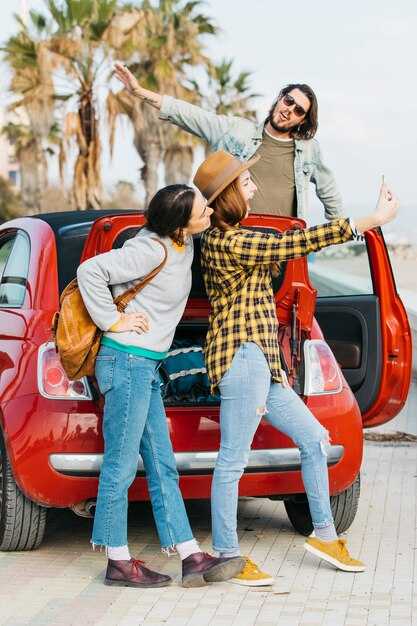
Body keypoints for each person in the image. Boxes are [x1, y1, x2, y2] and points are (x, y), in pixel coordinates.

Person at [191, 150, 399, 586]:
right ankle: (227, 554)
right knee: (232, 460)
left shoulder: (234, 236)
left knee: (315, 439)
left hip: (262, 361)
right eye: (245, 182)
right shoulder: (229, 242)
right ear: (228, 194)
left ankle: (325, 535)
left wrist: (277, 365)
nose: (253, 185)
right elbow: (293, 244)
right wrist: (370, 220)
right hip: (242, 357)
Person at [77, 184, 245, 588]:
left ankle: (190, 555)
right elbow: (90, 271)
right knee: (120, 465)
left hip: (146, 367)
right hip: (126, 362)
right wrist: (112, 320)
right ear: (179, 223)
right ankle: (117, 560)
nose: (209, 212)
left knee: (162, 463)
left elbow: (222, 200)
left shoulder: (183, 242)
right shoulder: (150, 249)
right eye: (202, 210)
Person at [114, 62, 341, 220]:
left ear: (303, 120)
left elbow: (329, 190)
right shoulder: (237, 130)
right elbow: (190, 115)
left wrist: (341, 231)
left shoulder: (309, 150)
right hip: (235, 240)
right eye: (288, 101)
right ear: (280, 99)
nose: (289, 109)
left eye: (298, 110)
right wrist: (139, 91)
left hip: (284, 245)